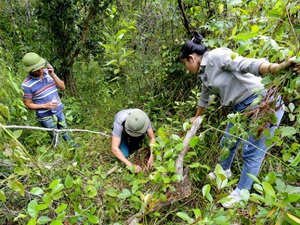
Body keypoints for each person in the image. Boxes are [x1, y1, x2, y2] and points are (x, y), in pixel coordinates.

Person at [178, 31, 300, 208]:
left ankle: (241, 194)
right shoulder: (203, 72)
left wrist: (277, 68)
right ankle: (224, 171)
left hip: (263, 102)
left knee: (252, 152)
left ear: (191, 58)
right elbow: (204, 97)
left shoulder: (216, 56)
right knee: (227, 142)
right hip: (240, 108)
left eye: (184, 64)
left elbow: (246, 64)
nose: (186, 69)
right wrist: (196, 117)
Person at [21, 52, 77, 147]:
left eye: (41, 67)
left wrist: (53, 75)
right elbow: (28, 104)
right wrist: (45, 106)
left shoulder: (48, 73)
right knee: (55, 137)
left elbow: (62, 87)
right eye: (37, 70)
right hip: (45, 116)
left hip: (59, 110)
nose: (41, 71)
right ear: (30, 70)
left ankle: (73, 147)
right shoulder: (26, 85)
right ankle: (61, 154)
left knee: (65, 131)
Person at [111, 109, 155, 173]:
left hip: (137, 129)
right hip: (123, 132)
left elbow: (152, 138)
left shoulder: (144, 119)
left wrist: (152, 156)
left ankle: (133, 143)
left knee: (135, 146)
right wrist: (130, 165)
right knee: (124, 154)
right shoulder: (119, 122)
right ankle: (125, 140)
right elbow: (114, 148)